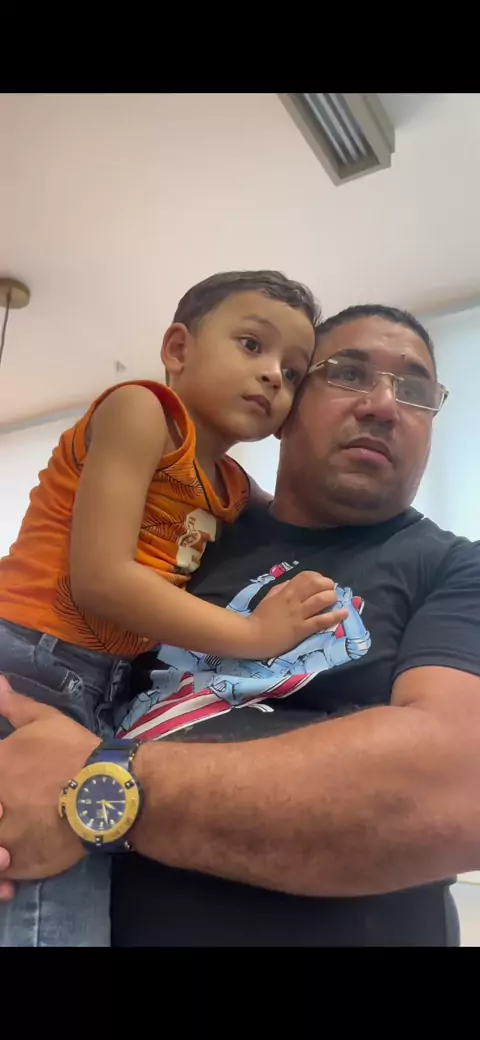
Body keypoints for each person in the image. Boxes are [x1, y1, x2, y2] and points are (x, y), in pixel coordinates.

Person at [0, 302, 479, 946]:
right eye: (347, 374)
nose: (383, 406)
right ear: (283, 412)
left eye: (415, 389)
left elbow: (453, 789)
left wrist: (97, 787)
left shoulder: (457, 569)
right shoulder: (190, 540)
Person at [0, 270, 348, 948]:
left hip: (98, 684)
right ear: (179, 349)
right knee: (45, 900)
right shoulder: (142, 411)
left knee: (66, 875)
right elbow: (102, 579)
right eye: (252, 344)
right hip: (31, 659)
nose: (273, 376)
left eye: (292, 372)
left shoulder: (232, 487)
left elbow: (293, 517)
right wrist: (255, 633)